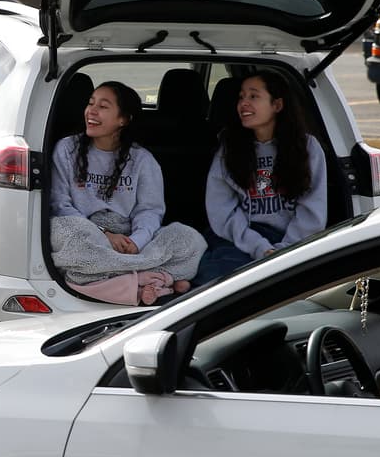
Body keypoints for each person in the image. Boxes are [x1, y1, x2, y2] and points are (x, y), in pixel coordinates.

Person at [49, 81, 200, 303]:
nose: (91, 111)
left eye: (103, 106)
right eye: (90, 103)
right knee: (65, 231)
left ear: (123, 119)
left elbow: (149, 211)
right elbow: (60, 204)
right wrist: (104, 235)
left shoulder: (142, 160)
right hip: (85, 231)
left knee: (189, 238)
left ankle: (112, 279)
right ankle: (152, 278)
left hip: (126, 238)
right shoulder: (66, 149)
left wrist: (136, 242)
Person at [196, 70, 327, 283]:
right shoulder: (229, 149)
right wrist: (260, 248)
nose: (244, 103)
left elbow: (312, 212)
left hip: (292, 242)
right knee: (214, 281)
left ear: (277, 105)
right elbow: (222, 212)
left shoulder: (308, 147)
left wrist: (283, 251)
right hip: (241, 239)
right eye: (241, 97)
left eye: (253, 96)